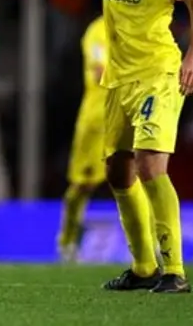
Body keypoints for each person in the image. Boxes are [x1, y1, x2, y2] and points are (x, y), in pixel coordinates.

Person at [15, 0, 193, 293]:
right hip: (118, 79)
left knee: (150, 164)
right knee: (118, 171)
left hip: (157, 71)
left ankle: (174, 269)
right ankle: (143, 268)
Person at [57, 14, 108, 262]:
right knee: (82, 184)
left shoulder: (139, 26)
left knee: (142, 176)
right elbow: (100, 72)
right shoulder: (97, 31)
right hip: (97, 120)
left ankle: (153, 245)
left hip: (130, 113)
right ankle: (67, 239)